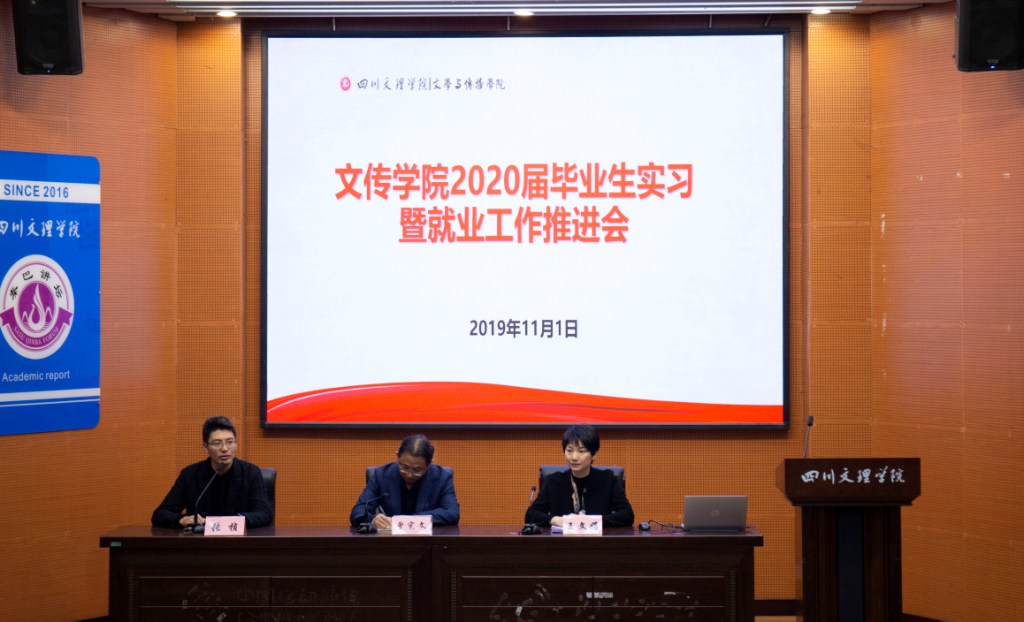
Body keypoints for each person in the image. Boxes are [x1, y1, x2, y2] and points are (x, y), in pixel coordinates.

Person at [151, 416, 273, 529]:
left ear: (236, 445)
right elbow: (160, 514)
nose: (225, 448)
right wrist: (182, 519)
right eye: (217, 443)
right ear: (205, 446)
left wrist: (234, 521)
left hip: (238, 541)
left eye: (230, 442)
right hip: (201, 542)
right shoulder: (190, 475)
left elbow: (265, 514)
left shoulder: (250, 473)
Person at [525, 424, 634, 528]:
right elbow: (530, 515)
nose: (574, 457)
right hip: (562, 539)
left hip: (597, 539)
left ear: (594, 454)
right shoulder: (553, 481)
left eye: (581, 451)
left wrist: (591, 521)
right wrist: (558, 520)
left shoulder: (608, 479)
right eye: (569, 450)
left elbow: (627, 515)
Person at [349, 434, 460, 529]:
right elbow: (358, 511)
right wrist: (372, 519)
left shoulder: (442, 477)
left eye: (417, 470)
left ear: (429, 464)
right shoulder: (381, 475)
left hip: (427, 540)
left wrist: (406, 521)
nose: (409, 474)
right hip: (390, 541)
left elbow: (452, 513)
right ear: (397, 456)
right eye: (404, 467)